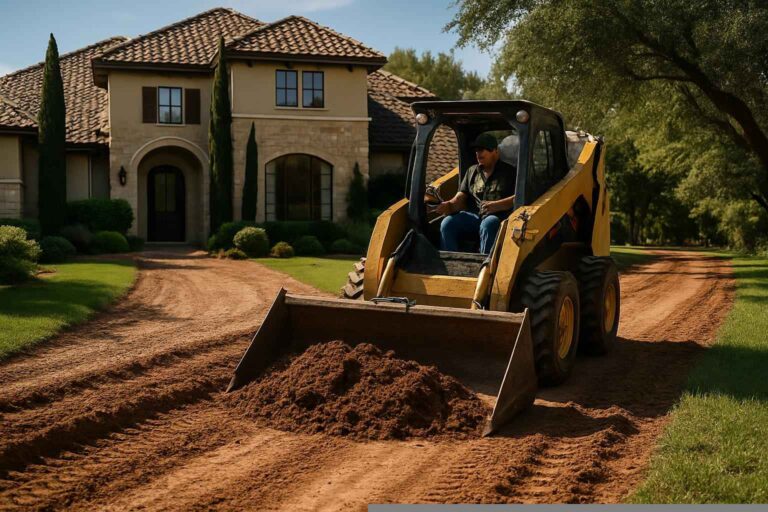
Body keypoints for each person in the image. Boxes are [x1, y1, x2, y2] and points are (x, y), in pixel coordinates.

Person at [435, 133, 516, 254]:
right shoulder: (472, 171)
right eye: (476, 150)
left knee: (488, 223)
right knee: (448, 223)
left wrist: (496, 205)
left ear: (494, 151)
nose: (478, 153)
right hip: (474, 217)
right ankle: (452, 263)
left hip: (499, 218)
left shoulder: (510, 172)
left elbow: (518, 197)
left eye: (481, 150)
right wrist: (448, 205)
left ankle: (485, 265)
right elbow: (460, 196)